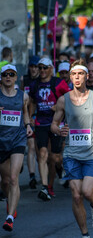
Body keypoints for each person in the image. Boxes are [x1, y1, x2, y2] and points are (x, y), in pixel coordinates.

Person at [51, 59, 93, 238]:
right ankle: (85, 234)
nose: (77, 77)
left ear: (87, 76)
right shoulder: (63, 100)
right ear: (70, 77)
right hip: (72, 153)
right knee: (76, 195)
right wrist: (58, 130)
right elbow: (54, 125)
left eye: (80, 74)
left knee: (87, 192)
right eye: (74, 74)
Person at [29, 57, 70, 200]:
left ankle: (61, 168)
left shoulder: (58, 83)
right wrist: (29, 119)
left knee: (55, 158)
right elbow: (32, 102)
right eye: (40, 68)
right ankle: (45, 187)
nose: (41, 70)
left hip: (56, 122)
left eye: (44, 68)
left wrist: (59, 106)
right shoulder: (34, 84)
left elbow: (70, 98)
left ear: (51, 69)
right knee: (42, 154)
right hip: (40, 122)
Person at [0, 64, 33, 231]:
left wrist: (28, 125)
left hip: (17, 140)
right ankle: (9, 200)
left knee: (13, 178)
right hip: (1, 142)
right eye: (5, 74)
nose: (8, 77)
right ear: (1, 77)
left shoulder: (23, 96)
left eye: (11, 74)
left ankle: (10, 217)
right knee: (5, 181)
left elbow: (25, 112)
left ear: (16, 77)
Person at [20, 55, 40, 189]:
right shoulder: (24, 79)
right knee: (31, 145)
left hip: (41, 116)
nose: (33, 69)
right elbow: (19, 97)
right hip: (27, 117)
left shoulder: (42, 80)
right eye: (31, 66)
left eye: (36, 67)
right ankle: (32, 175)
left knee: (41, 150)